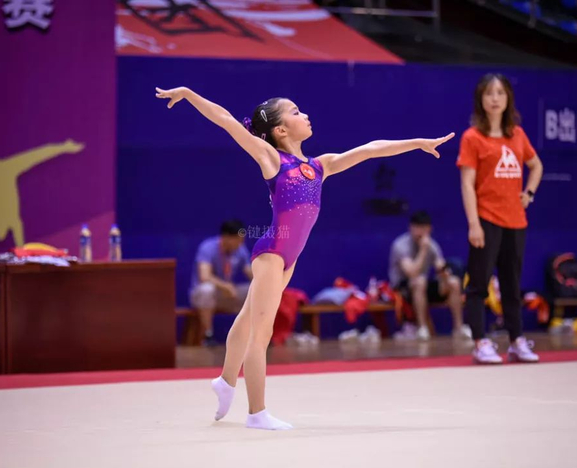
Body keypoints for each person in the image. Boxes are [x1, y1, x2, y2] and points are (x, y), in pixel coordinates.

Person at [156, 86, 454, 429]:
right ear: (281, 130)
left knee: (247, 319)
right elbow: (226, 121)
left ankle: (225, 382)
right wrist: (189, 95)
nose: (306, 115)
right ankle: (256, 413)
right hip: (271, 252)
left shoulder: (320, 165)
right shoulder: (272, 159)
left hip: (289, 258)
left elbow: (370, 150)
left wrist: (417, 143)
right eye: (296, 112)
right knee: (261, 333)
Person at [457, 73, 544, 365]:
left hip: (516, 221)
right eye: (489, 93)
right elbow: (467, 183)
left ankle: (516, 341)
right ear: (480, 99)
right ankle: (480, 342)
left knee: (512, 284)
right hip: (486, 219)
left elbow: (536, 165)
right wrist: (474, 224)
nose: (495, 99)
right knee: (478, 285)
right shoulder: (472, 138)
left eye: (500, 93)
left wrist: (528, 193)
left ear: (508, 99)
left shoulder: (517, 134)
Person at [389, 211, 472, 341]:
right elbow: (412, 272)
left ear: (429, 229)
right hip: (403, 288)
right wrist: (423, 250)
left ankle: (459, 328)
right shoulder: (400, 245)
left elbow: (440, 266)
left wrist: (445, 274)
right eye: (417, 227)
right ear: (410, 227)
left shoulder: (432, 245)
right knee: (419, 281)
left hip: (423, 285)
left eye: (423, 228)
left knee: (454, 283)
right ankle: (422, 329)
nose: (420, 232)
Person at [190, 219, 253, 346]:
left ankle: (253, 336)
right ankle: (208, 335)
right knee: (206, 290)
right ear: (226, 237)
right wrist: (224, 286)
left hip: (228, 294)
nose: (241, 243)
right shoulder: (208, 247)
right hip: (204, 296)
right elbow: (204, 276)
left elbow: (251, 274)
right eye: (238, 240)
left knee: (254, 291)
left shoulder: (240, 250)